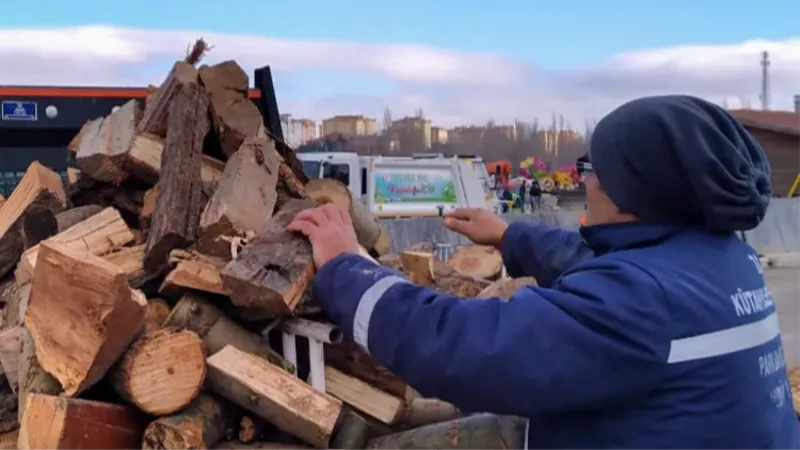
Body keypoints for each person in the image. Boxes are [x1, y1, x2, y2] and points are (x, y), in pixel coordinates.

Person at [287, 95, 800, 450]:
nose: (587, 181)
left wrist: (345, 268)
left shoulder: (643, 302)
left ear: (631, 190)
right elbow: (592, 261)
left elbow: (465, 349)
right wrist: (510, 237)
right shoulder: (723, 259)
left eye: (591, 169)